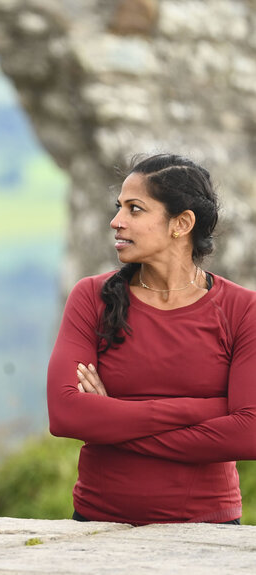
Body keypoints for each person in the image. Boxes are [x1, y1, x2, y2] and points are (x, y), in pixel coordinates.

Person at [47, 153, 256, 525]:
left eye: (135, 209)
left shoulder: (243, 310)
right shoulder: (91, 297)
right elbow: (65, 414)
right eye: (119, 207)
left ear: (182, 223)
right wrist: (204, 408)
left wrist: (111, 419)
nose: (116, 221)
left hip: (208, 530)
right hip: (99, 526)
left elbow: (249, 433)